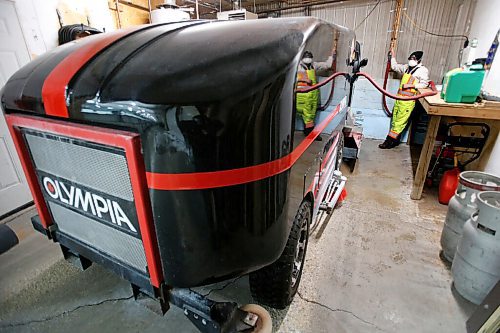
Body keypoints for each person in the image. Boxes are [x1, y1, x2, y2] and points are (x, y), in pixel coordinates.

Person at [379, 50, 429, 149]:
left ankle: (388, 142)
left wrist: (412, 85)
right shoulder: (407, 67)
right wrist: (392, 56)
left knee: (399, 123)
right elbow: (395, 67)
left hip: (408, 101)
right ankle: (395, 141)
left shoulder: (422, 70)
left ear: (419, 60)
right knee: (394, 121)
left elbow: (425, 84)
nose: (411, 60)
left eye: (414, 59)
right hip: (399, 99)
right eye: (410, 58)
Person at [296, 51, 334, 140]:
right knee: (304, 114)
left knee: (310, 116)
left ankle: (308, 132)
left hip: (312, 96)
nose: (308, 59)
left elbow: (327, 65)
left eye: (309, 57)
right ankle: (309, 134)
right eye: (306, 57)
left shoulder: (314, 65)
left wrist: (332, 56)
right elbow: (294, 78)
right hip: (301, 96)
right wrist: (304, 80)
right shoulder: (297, 67)